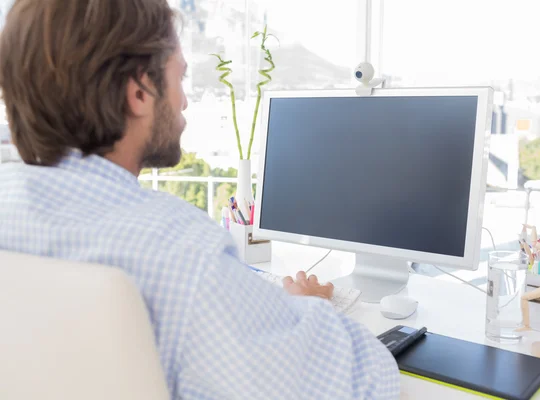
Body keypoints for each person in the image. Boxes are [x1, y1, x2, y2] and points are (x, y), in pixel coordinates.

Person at [0, 0, 400, 398]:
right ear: (138, 92)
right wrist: (304, 310)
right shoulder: (183, 255)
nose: (185, 102)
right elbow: (365, 383)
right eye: (180, 79)